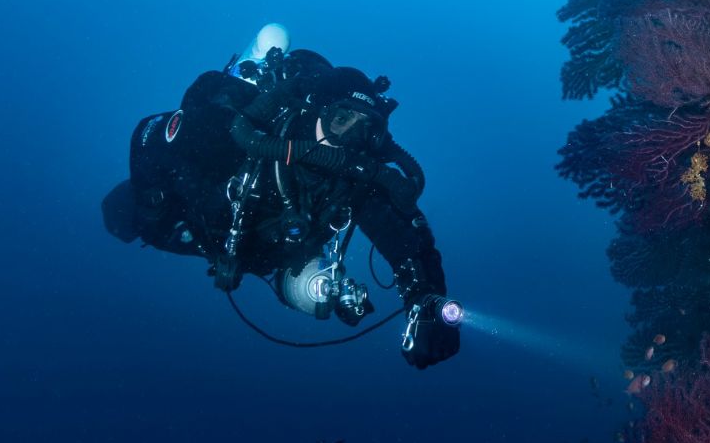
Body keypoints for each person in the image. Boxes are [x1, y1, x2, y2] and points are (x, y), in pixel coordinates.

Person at [102, 27, 460, 369]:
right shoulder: (247, 132)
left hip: (255, 252)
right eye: (341, 120)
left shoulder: (355, 179)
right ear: (317, 110)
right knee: (118, 217)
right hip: (183, 214)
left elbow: (405, 239)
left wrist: (426, 301)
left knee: (315, 296)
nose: (350, 140)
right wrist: (152, 202)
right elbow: (147, 133)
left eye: (367, 130)